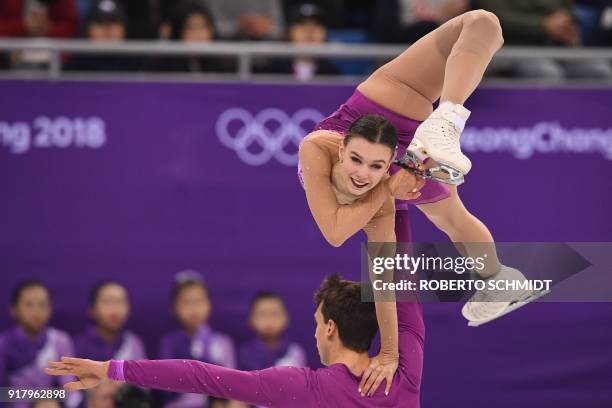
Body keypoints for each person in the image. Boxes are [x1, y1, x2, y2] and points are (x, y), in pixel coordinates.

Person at [298, 9, 541, 330]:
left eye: (365, 165)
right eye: (366, 170)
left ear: (343, 152)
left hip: (377, 110)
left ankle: (447, 119)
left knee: (484, 23)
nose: (362, 175)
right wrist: (388, 183)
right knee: (451, 216)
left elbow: (334, 230)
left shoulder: (318, 149)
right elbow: (380, 278)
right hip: (404, 160)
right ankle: (498, 276)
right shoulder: (380, 206)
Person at [45, 274, 425, 407]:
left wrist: (110, 369)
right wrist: (398, 206)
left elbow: (199, 377)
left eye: (315, 322)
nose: (312, 331)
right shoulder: (405, 375)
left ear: (329, 328)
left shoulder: (300, 387)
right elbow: (406, 285)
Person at [158, 270, 237, 407]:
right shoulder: (169, 343)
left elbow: (229, 386)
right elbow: (166, 388)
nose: (194, 308)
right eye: (187, 302)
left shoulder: (223, 342)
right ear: (174, 308)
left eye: (199, 301)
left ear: (209, 304)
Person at [0, 281, 81, 408]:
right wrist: (38, 397)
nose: (36, 312)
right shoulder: (4, 344)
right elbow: (2, 395)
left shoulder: (60, 340)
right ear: (14, 310)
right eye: (29, 305)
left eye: (42, 305)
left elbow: (71, 391)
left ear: (50, 309)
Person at [75, 281, 147, 361]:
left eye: (120, 301)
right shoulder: (79, 346)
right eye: (107, 301)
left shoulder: (133, 343)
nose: (115, 308)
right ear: (92, 310)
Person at [238, 291, 307, 371]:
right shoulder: (244, 354)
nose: (269, 320)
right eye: (262, 314)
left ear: (286, 318)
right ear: (251, 320)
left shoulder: (295, 352)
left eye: (274, 314)